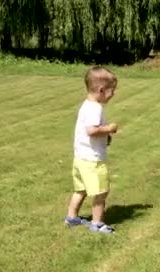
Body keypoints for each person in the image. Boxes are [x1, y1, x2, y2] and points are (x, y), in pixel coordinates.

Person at [64, 66, 119, 234]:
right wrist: (109, 128)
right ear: (101, 90)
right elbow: (92, 130)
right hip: (92, 160)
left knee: (80, 189)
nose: (113, 94)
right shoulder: (95, 108)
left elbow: (89, 132)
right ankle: (97, 223)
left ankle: (72, 217)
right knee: (101, 192)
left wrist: (105, 137)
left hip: (80, 158)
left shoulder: (86, 105)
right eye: (112, 91)